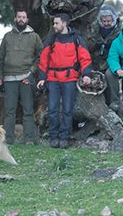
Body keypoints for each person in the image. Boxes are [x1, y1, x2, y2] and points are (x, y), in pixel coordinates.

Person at [36, 13, 92, 149]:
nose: (54, 26)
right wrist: (42, 78)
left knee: (67, 110)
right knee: (53, 110)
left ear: (65, 23)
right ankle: (54, 136)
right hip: (53, 79)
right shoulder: (51, 39)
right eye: (53, 23)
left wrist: (86, 74)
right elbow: (43, 60)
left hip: (70, 79)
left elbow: (85, 58)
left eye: (56, 23)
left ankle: (65, 137)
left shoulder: (76, 38)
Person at [0, 10, 43, 145]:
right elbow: (1, 57)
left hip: (26, 77)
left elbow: (41, 56)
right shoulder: (7, 37)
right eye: (19, 17)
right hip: (9, 78)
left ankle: (29, 139)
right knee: (9, 110)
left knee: (28, 109)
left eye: (24, 17)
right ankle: (8, 139)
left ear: (27, 19)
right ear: (15, 19)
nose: (21, 19)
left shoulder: (34, 37)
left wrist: (32, 71)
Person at [90, 5, 121, 109]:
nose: (107, 24)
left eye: (109, 21)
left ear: (113, 20)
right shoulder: (95, 30)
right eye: (104, 21)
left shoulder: (119, 32)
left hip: (113, 62)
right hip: (96, 60)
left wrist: (112, 45)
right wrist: (95, 45)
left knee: (109, 75)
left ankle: (114, 103)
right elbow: (88, 46)